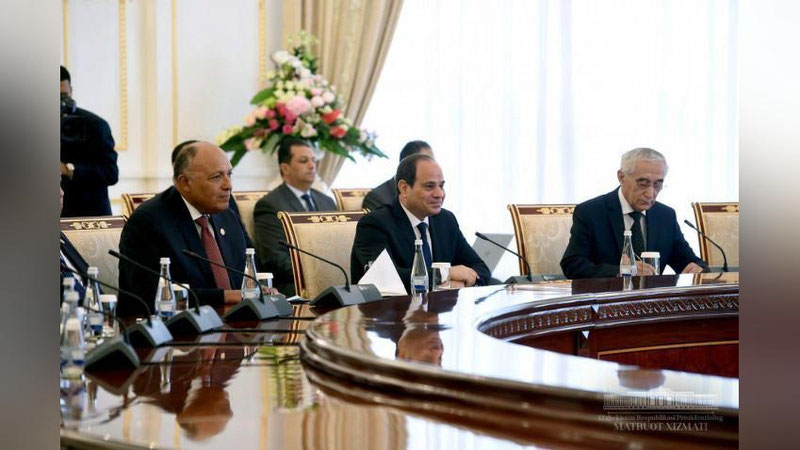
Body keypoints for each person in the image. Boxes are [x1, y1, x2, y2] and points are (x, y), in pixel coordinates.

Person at [117, 141, 256, 317]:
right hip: (175, 328)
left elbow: (247, 274)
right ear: (185, 182)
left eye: (229, 174)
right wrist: (224, 297)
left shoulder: (226, 216)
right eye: (216, 177)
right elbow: (147, 294)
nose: (228, 185)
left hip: (236, 323)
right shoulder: (149, 221)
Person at [560, 148, 707, 279]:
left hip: (653, 299)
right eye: (643, 184)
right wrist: (621, 271)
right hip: (608, 297)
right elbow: (572, 265)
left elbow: (690, 261)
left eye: (657, 184)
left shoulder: (665, 215)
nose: (650, 193)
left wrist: (697, 268)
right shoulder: (591, 212)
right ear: (621, 177)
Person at [351, 154, 491, 289]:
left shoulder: (446, 220)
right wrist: (445, 274)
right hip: (392, 305)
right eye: (429, 186)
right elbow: (385, 278)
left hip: (441, 305)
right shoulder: (375, 224)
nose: (439, 194)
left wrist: (461, 284)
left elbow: (480, 268)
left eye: (441, 186)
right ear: (404, 188)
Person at [252, 137, 337, 296]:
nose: (312, 165)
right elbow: (274, 258)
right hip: (295, 285)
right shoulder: (269, 205)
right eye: (304, 161)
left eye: (313, 160)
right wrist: (318, 271)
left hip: (334, 278)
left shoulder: (327, 201)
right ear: (285, 168)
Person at [60, 65, 119, 217]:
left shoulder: (95, 125)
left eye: (64, 96)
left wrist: (68, 170)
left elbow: (111, 173)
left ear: (71, 91)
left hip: (88, 217)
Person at [362, 140, 434, 211]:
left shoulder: (433, 194)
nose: (433, 167)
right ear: (407, 165)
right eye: (427, 163)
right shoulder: (377, 198)